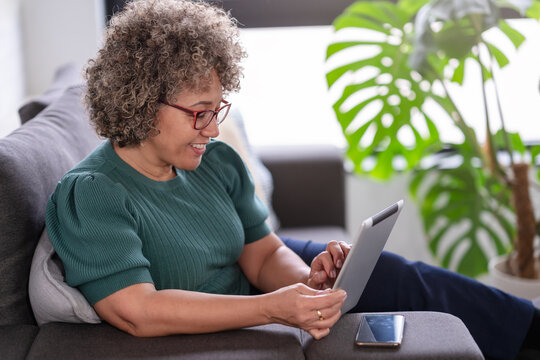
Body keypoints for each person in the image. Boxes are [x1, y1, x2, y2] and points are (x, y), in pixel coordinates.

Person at [45, 1, 538, 359]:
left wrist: (309, 282)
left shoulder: (215, 162)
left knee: (401, 277)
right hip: (243, 311)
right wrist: (274, 309)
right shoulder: (92, 194)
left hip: (259, 290)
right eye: (198, 113)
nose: (213, 129)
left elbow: (261, 253)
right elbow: (138, 311)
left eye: (218, 111)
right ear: (140, 101)